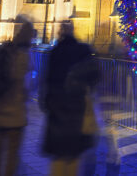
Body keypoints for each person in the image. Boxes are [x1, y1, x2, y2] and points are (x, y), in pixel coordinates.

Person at [40, 21, 100, 176]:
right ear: (73, 31)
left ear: (61, 33)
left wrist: (47, 102)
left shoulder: (55, 52)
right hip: (76, 109)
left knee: (59, 155)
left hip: (57, 109)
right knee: (73, 154)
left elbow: (47, 80)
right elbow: (95, 74)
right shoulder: (83, 50)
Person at [0, 17, 36, 176]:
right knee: (12, 154)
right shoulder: (23, 57)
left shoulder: (5, 51)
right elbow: (27, 84)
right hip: (14, 114)